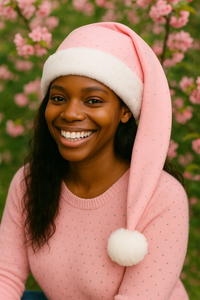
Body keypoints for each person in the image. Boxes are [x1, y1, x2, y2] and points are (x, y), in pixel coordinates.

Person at [0, 22, 189, 300]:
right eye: (59, 98)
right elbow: (6, 276)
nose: (71, 113)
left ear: (125, 111)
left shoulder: (163, 197)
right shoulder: (29, 182)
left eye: (93, 101)